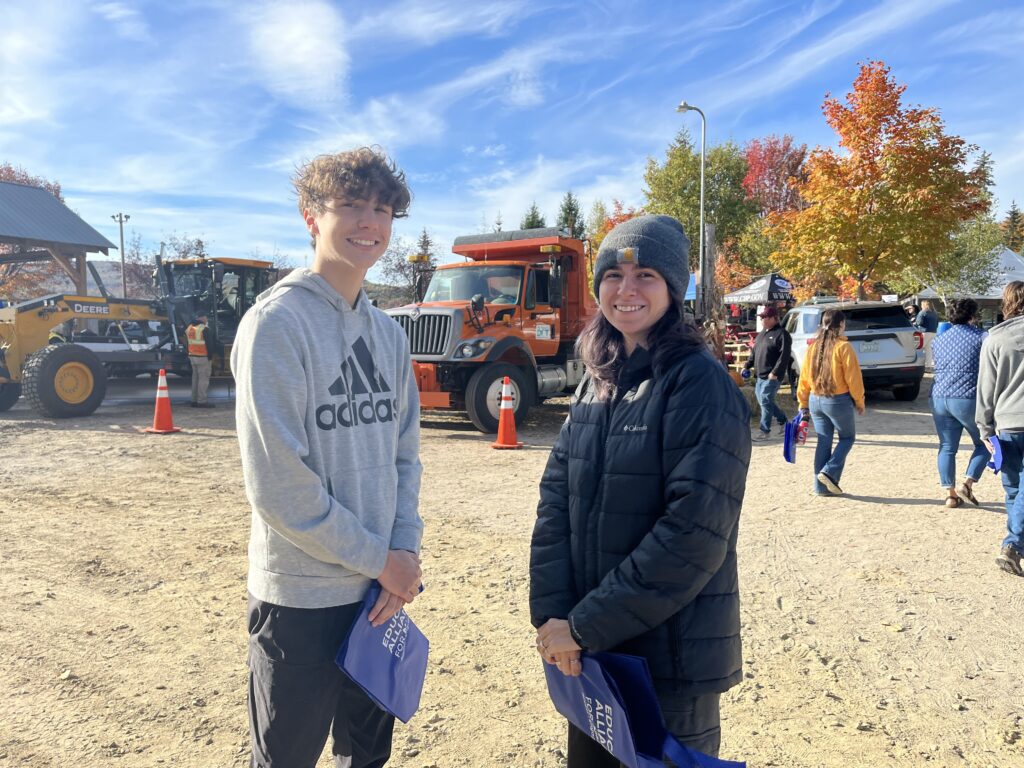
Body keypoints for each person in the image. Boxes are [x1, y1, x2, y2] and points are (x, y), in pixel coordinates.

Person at [529, 215, 751, 764]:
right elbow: (556, 499)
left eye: (646, 274)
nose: (626, 290)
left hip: (668, 662)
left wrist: (581, 626)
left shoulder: (699, 383)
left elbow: (692, 535)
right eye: (613, 275)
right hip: (593, 653)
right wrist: (555, 618)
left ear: (673, 290)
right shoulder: (597, 376)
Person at [232, 147, 424, 767]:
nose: (369, 221)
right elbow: (280, 486)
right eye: (350, 206)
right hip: (301, 600)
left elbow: (405, 455)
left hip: (375, 597)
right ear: (311, 217)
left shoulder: (389, 334)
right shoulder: (276, 325)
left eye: (381, 208)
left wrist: (404, 551)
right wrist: (383, 559)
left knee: (365, 759)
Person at [975, 281, 1024, 577]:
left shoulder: (994, 339)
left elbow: (986, 389)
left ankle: (1014, 543)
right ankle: (1013, 544)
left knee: (1013, 488)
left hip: (1006, 422)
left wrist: (984, 428)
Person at [797, 309, 865, 496]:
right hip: (837, 401)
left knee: (823, 441)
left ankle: (820, 487)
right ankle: (828, 471)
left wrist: (802, 402)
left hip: (814, 399)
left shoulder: (813, 347)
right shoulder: (843, 347)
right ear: (841, 325)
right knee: (847, 438)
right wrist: (859, 401)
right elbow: (854, 378)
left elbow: (803, 377)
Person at [930, 298, 990, 508]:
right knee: (985, 442)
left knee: (947, 446)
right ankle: (969, 482)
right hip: (968, 397)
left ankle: (950, 494)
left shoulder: (939, 340)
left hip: (940, 397)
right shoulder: (982, 337)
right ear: (973, 315)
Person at [743, 305, 792, 440]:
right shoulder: (762, 333)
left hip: (773, 376)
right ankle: (784, 422)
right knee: (766, 402)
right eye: (761, 317)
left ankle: (764, 431)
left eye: (764, 317)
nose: (762, 320)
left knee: (765, 400)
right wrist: (747, 365)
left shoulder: (782, 334)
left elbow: (785, 356)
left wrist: (775, 372)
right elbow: (754, 352)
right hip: (760, 375)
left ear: (773, 318)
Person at [185, 312, 222, 408]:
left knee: (195, 379)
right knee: (203, 380)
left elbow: (187, 343)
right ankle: (202, 401)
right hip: (203, 357)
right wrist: (211, 356)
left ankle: (194, 400)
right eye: (206, 318)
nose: (207, 320)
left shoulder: (189, 328)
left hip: (192, 356)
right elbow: (210, 345)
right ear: (203, 318)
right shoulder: (204, 329)